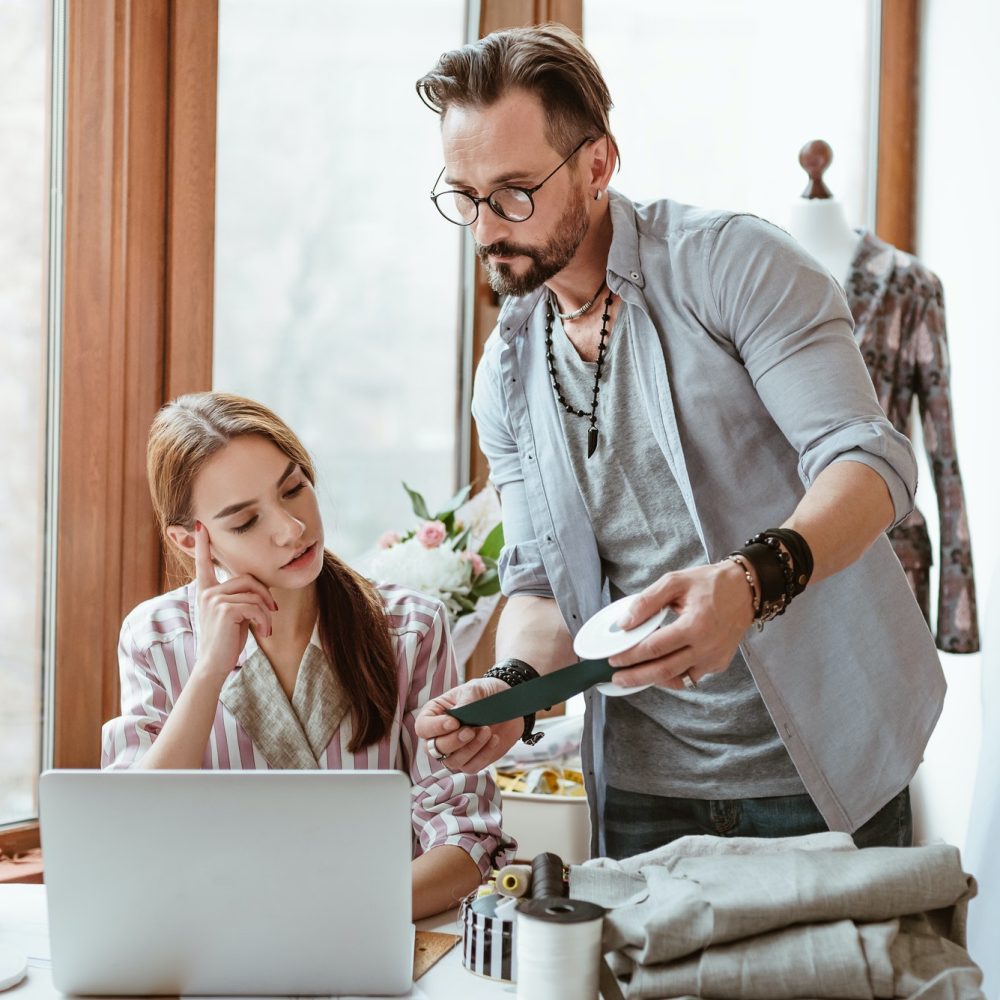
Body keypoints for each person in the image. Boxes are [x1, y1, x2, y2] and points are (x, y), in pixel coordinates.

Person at [412, 24, 945, 859]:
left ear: (596, 165)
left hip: (825, 765)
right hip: (641, 785)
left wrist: (748, 581)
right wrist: (515, 686)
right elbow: (544, 586)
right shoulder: (506, 374)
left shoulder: (734, 264)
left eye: (514, 191)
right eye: (466, 197)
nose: (485, 229)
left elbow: (868, 461)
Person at [101, 392, 505, 918]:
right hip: (213, 950)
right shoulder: (156, 638)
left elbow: (468, 835)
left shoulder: (410, 627)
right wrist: (208, 672)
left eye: (294, 489)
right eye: (245, 521)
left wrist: (327, 916)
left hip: (374, 943)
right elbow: (128, 839)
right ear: (189, 542)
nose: (291, 529)